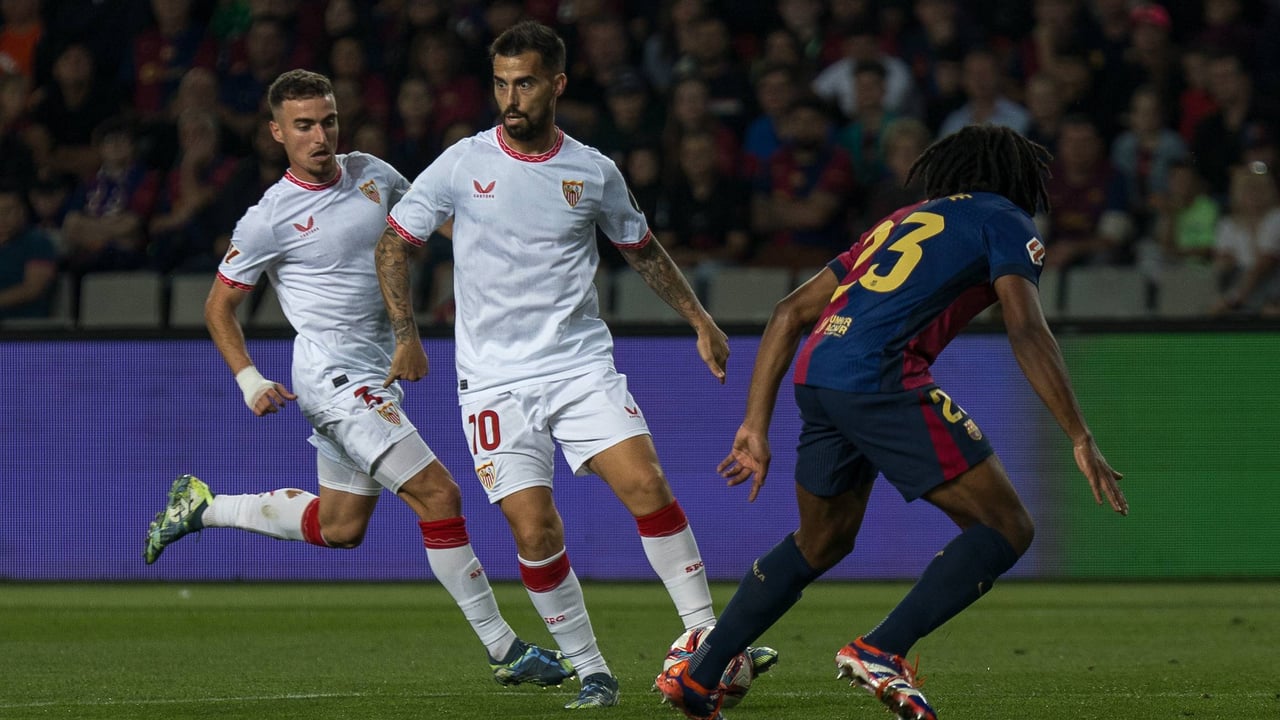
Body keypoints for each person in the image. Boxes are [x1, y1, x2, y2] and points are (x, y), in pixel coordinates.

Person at [657, 124, 1129, 720]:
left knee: (822, 541)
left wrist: (755, 425)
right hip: (881, 374)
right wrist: (1079, 435)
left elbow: (789, 311)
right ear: (1016, 179)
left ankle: (699, 677)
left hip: (819, 372)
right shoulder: (1006, 220)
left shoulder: (901, 219)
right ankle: (881, 649)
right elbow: (1027, 328)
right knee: (1006, 526)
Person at [374, 21, 776, 710]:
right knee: (534, 529)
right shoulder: (462, 163)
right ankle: (592, 671)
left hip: (578, 367)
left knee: (646, 483)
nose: (511, 97)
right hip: (493, 383)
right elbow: (393, 242)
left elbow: (641, 248)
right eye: (501, 83)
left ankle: (710, 639)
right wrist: (405, 336)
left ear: (557, 84)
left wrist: (699, 319)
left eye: (525, 83)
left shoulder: (592, 171)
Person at [140, 69, 573, 690]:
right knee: (440, 496)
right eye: (303, 126)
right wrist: (249, 379)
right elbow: (218, 306)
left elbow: (436, 223)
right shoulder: (270, 217)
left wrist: (507, 245)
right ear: (277, 133)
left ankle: (204, 507)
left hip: (375, 375)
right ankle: (505, 649)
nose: (320, 137)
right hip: (332, 379)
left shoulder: (374, 173)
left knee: (340, 528)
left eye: (329, 122)